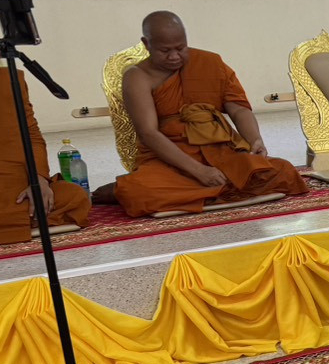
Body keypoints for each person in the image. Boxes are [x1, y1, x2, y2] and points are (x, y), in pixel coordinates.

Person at [110, 12, 306, 217]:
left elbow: (238, 108)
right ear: (146, 44)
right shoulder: (138, 76)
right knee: (138, 192)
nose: (174, 56)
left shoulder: (210, 63)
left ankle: (202, 193)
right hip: (171, 160)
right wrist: (199, 171)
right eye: (165, 51)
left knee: (284, 171)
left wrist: (255, 139)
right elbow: (148, 133)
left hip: (221, 153)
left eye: (180, 48)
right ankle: (219, 189)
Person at [0, 68, 90, 245]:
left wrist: (39, 180)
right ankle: (20, 221)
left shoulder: (8, 78)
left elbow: (31, 134)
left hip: (14, 186)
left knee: (73, 196)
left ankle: (16, 219)